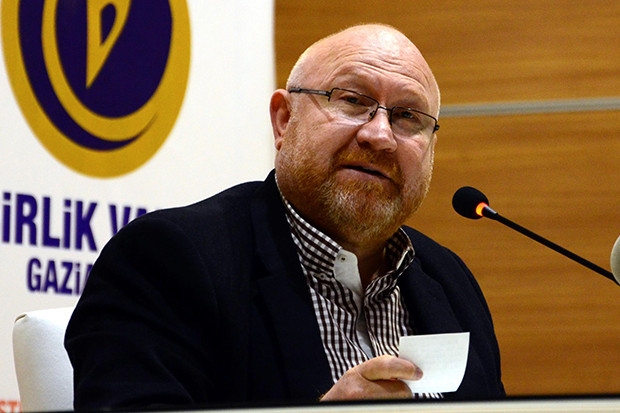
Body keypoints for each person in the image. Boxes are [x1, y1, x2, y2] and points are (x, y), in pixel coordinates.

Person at [65, 24, 505, 410]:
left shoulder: (448, 280)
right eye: (353, 101)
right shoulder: (167, 260)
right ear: (283, 120)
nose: (380, 135)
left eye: (408, 116)